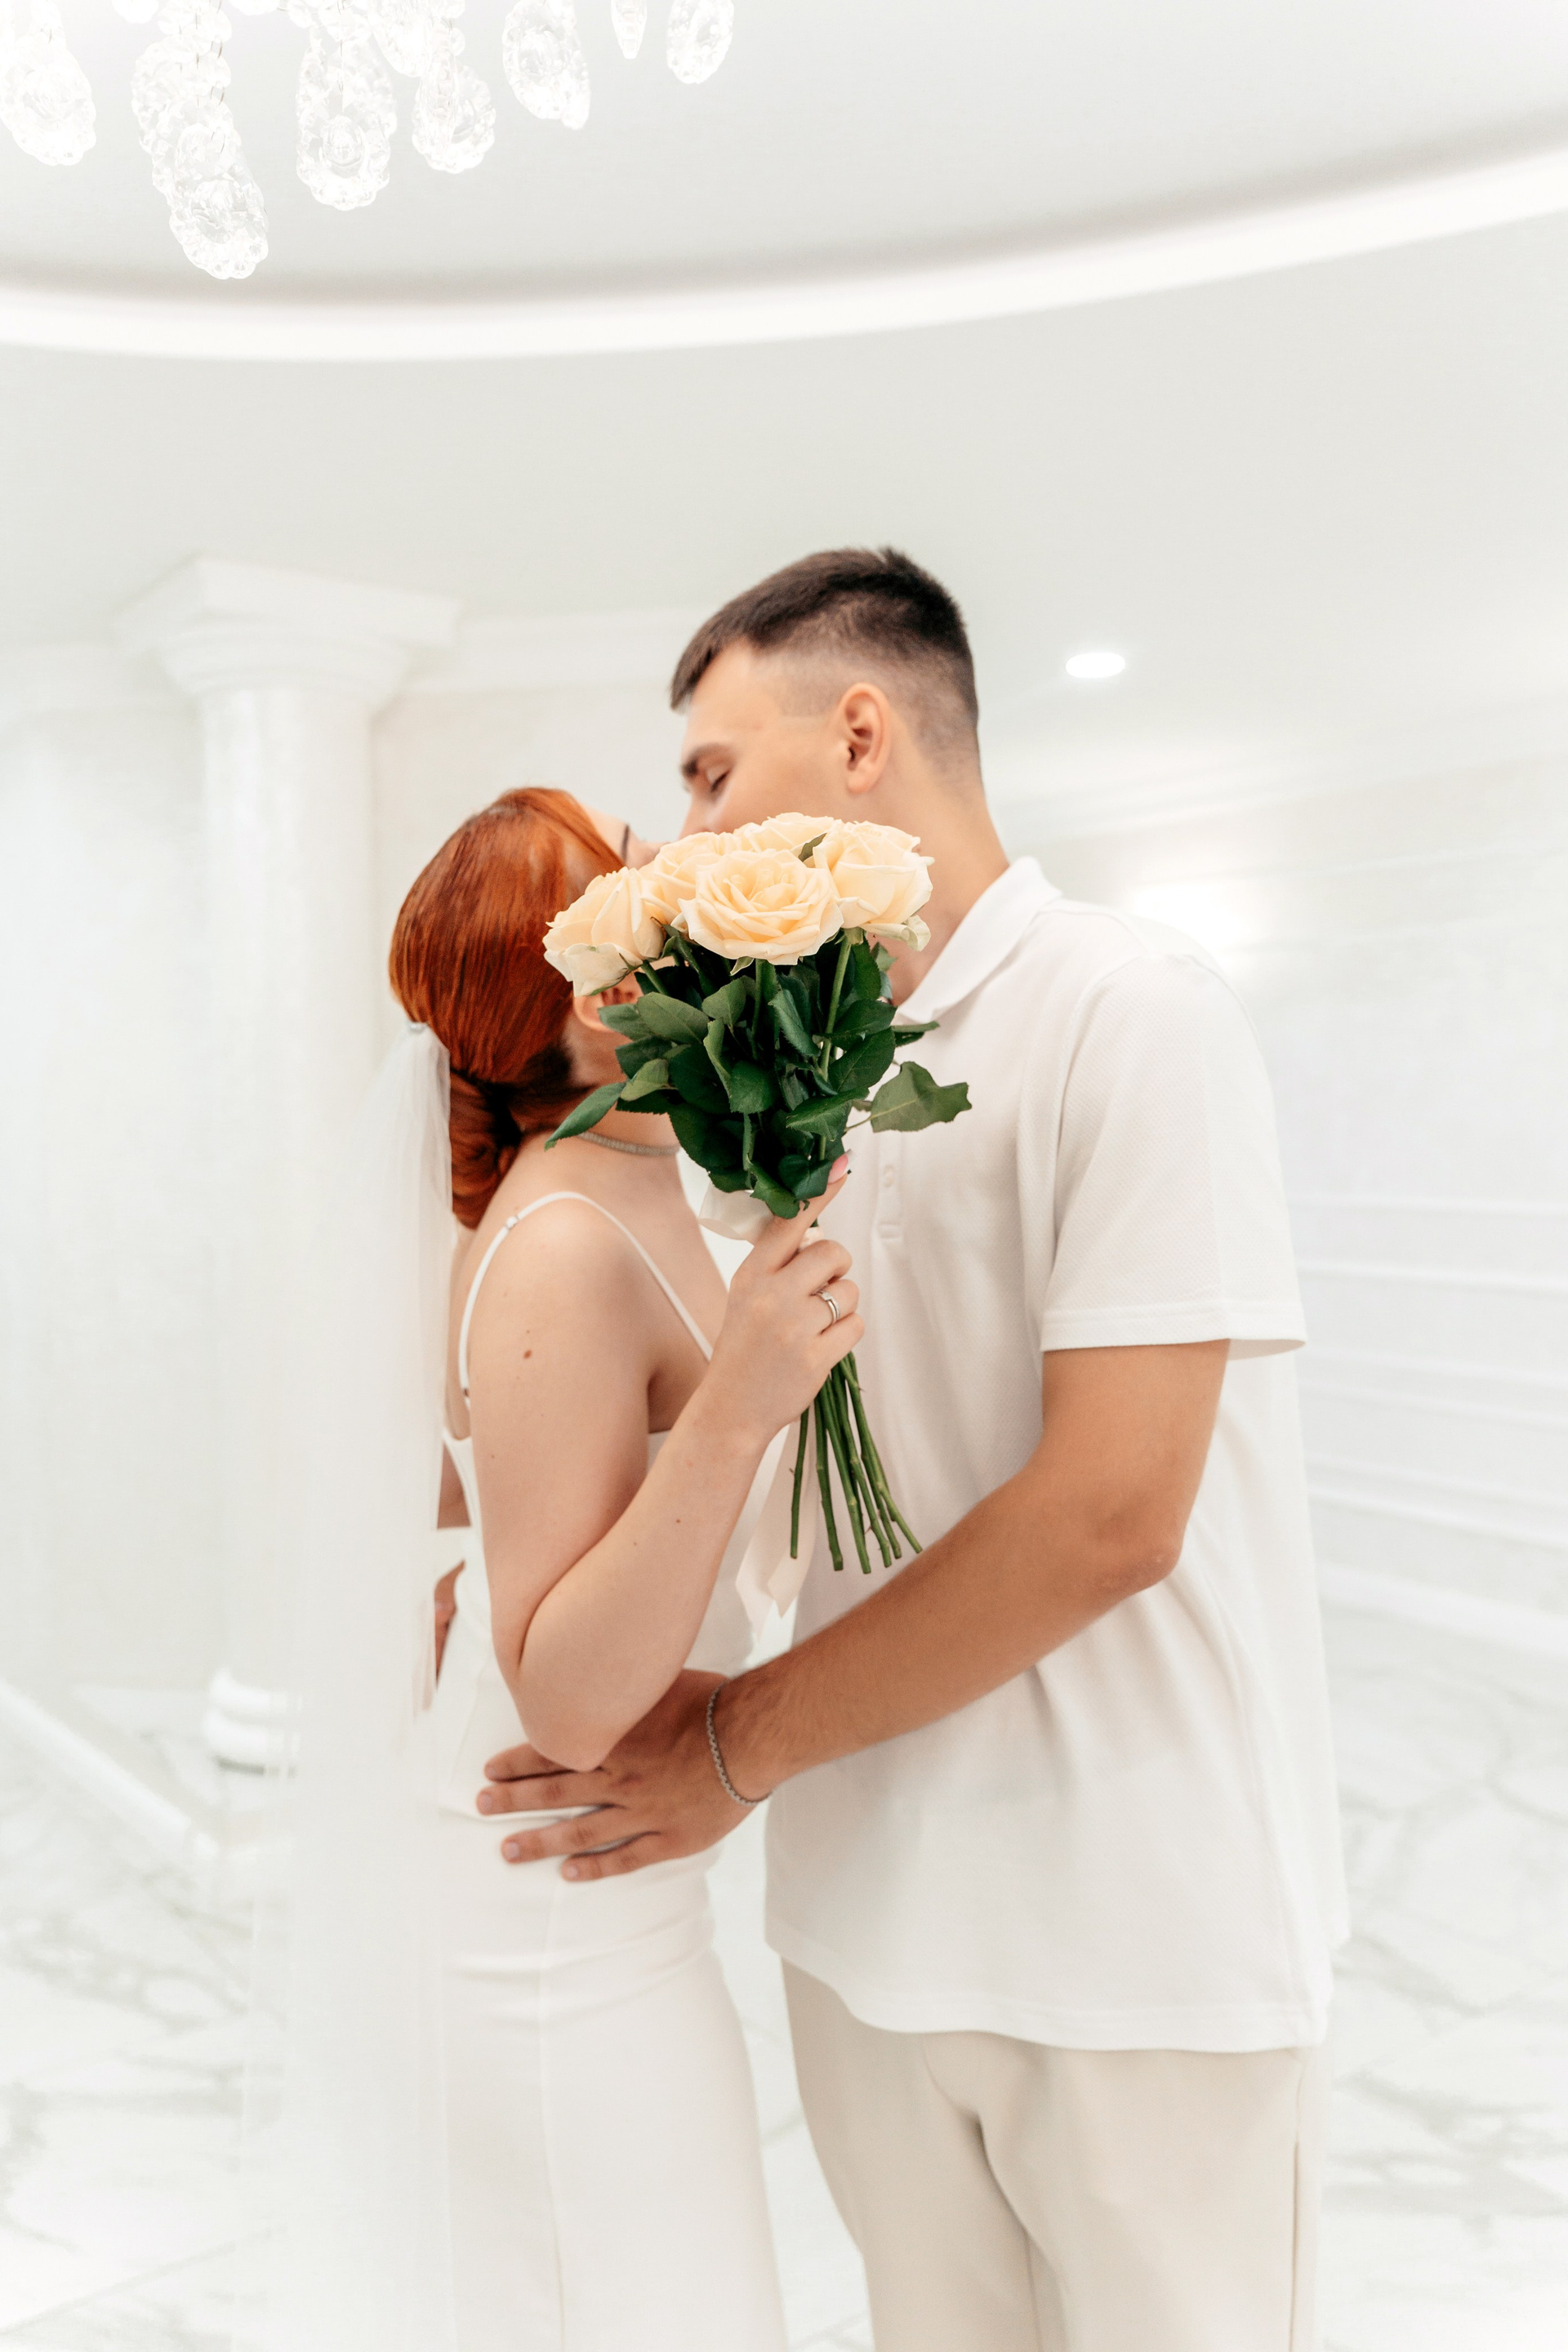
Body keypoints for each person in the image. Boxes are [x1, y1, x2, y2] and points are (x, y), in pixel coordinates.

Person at [479, 552, 1349, 2352]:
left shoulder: (1130, 1009)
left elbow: (1112, 1515)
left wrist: (738, 1741)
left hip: (1134, 1941)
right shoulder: (792, 1072)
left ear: (861, 733)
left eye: (713, 773)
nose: (688, 832)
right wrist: (492, 1539)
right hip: (864, 1923)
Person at [386, 786, 862, 2352]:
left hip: (608, 1896)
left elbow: (508, 1498)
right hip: (552, 1909)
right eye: (639, 895)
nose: (679, 899)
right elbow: (573, 1708)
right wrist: (734, 1407)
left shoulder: (635, 1180)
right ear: (592, 998)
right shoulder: (563, 1242)